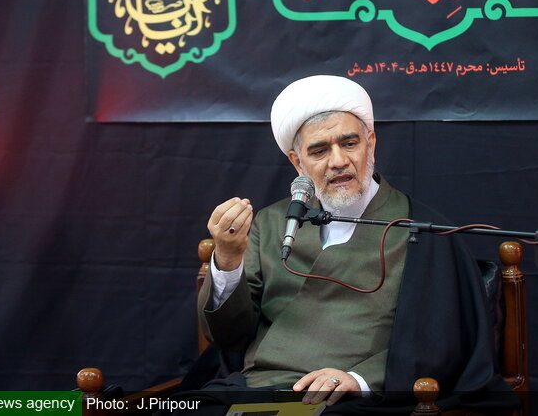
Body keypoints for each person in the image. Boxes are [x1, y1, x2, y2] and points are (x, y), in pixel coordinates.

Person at [194, 75, 515, 413]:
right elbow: (228, 337)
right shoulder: (272, 223)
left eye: (349, 143)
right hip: (263, 389)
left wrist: (359, 379)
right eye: (319, 151)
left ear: (370, 143)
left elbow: (442, 339)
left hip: (355, 399)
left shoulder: (421, 230)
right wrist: (228, 259)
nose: (337, 161)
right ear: (297, 162)